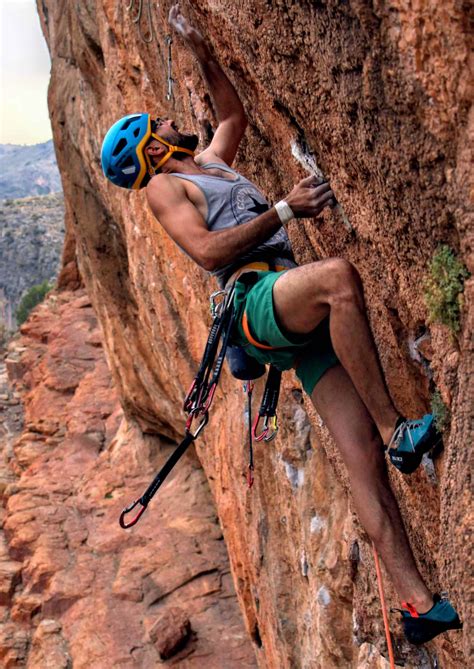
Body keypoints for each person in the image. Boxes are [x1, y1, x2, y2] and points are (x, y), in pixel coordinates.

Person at [100, 3, 461, 646]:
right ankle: (398, 429)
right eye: (161, 124)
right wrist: (285, 210)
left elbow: (233, 115)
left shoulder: (209, 162)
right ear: (149, 149)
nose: (174, 121)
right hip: (254, 301)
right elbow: (209, 253)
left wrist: (203, 54)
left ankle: (419, 606)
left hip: (285, 312)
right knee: (339, 279)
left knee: (361, 464)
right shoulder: (164, 189)